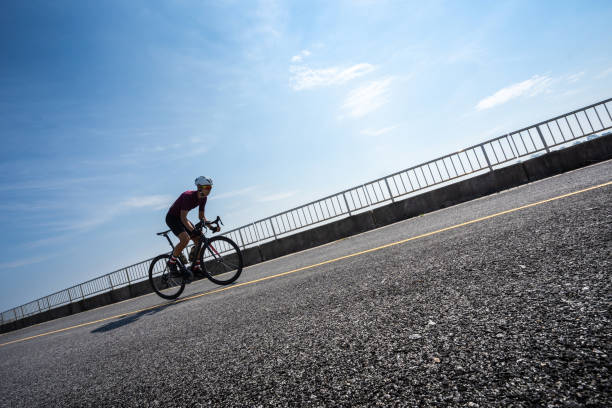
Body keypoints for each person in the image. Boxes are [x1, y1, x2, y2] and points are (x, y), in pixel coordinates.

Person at [165, 176, 221, 279]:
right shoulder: (188, 196)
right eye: (207, 187)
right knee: (185, 239)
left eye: (210, 188)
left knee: (199, 240)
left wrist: (211, 227)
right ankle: (171, 263)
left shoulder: (203, 198)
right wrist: (193, 230)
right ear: (199, 187)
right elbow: (183, 218)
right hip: (172, 218)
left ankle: (196, 267)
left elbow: (201, 217)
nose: (209, 190)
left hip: (182, 219)